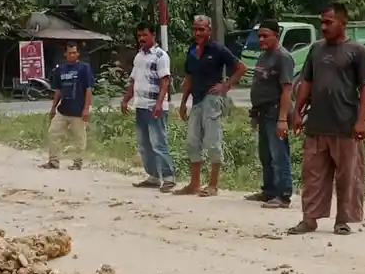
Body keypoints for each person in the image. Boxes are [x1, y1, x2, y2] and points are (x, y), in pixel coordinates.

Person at [288, 2, 365, 236]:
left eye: (328, 22)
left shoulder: (357, 51)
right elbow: (307, 82)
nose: (323, 27)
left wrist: (361, 120)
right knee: (313, 175)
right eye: (321, 22)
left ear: (342, 23)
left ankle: (342, 220)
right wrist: (297, 111)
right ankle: (309, 219)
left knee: (347, 176)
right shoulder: (316, 49)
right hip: (316, 124)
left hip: (345, 125)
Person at [176, 15, 246, 197]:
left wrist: (226, 85)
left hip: (212, 99)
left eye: (201, 29)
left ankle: (213, 184)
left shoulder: (217, 49)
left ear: (209, 31)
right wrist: (183, 102)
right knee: (192, 141)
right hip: (196, 100)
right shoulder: (192, 50)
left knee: (212, 142)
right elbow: (189, 77)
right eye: (195, 29)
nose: (198, 33)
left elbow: (241, 67)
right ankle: (194, 184)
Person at [245, 20, 295, 209]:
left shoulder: (283, 57)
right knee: (265, 154)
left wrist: (282, 119)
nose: (262, 39)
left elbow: (287, 90)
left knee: (279, 154)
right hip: (263, 112)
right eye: (259, 36)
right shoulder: (263, 56)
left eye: (266, 35)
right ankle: (269, 191)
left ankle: (283, 195)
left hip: (276, 113)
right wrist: (254, 113)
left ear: (276, 35)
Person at [121, 22, 176, 192]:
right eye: (140, 36)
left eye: (145, 35)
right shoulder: (139, 56)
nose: (142, 39)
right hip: (141, 105)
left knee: (159, 143)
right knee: (144, 144)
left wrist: (159, 103)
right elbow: (133, 80)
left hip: (154, 106)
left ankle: (169, 177)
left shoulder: (160, 56)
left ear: (153, 35)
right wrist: (126, 99)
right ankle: (153, 176)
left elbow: (165, 81)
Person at [43, 41, 97, 170]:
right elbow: (58, 90)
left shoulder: (84, 68)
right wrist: (53, 108)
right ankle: (53, 161)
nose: (72, 55)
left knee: (79, 138)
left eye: (74, 52)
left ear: (78, 53)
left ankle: (78, 163)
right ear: (65, 54)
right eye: (69, 53)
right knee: (53, 133)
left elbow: (88, 89)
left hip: (78, 111)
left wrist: (86, 109)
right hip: (63, 109)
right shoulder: (61, 69)